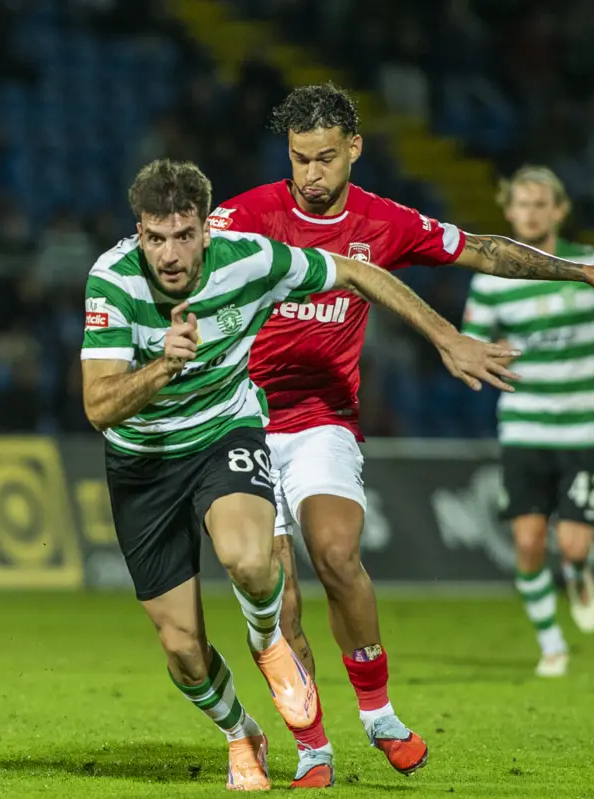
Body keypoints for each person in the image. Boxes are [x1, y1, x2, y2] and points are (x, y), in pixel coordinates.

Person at [208, 82, 594, 786]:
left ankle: (379, 713)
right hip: (240, 422)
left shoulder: (382, 221)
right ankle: (313, 747)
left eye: (325, 158)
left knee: (337, 554)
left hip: (322, 417)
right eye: (299, 159)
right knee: (279, 596)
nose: (311, 175)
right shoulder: (243, 217)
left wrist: (581, 272)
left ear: (355, 148)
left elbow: (483, 250)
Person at [81, 159, 517, 791]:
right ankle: (241, 732)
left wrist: (445, 337)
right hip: (142, 462)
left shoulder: (251, 260)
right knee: (182, 649)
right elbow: (98, 407)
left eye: (183, 236)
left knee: (249, 560)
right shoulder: (113, 280)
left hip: (223, 432)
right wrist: (163, 367)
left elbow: (357, 272)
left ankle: (268, 643)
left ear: (206, 229)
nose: (169, 254)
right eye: (155, 237)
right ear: (138, 232)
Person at [462, 166, 594, 678]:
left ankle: (580, 570)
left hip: (584, 424)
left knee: (572, 545)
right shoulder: (491, 280)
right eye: (522, 204)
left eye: (541, 204)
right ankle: (551, 644)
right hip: (524, 425)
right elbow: (471, 341)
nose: (531, 213)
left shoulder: (593, 266)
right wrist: (488, 353)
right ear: (509, 212)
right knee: (527, 542)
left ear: (559, 211)